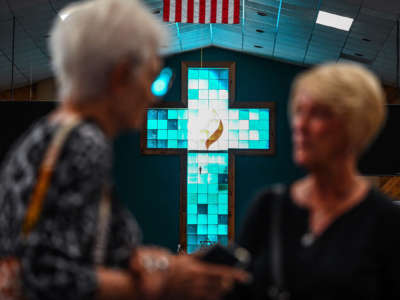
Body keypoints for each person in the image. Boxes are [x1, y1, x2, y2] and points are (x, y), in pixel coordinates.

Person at [0, 0, 248, 300]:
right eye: (152, 78)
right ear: (119, 76)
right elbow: (42, 278)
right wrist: (163, 285)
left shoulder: (50, 135)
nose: (152, 95)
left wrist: (167, 265)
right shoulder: (81, 144)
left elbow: (91, 253)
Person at [238, 63, 400, 300]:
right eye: (299, 112)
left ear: (354, 127)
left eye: (318, 114)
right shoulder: (270, 207)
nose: (300, 126)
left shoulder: (386, 222)